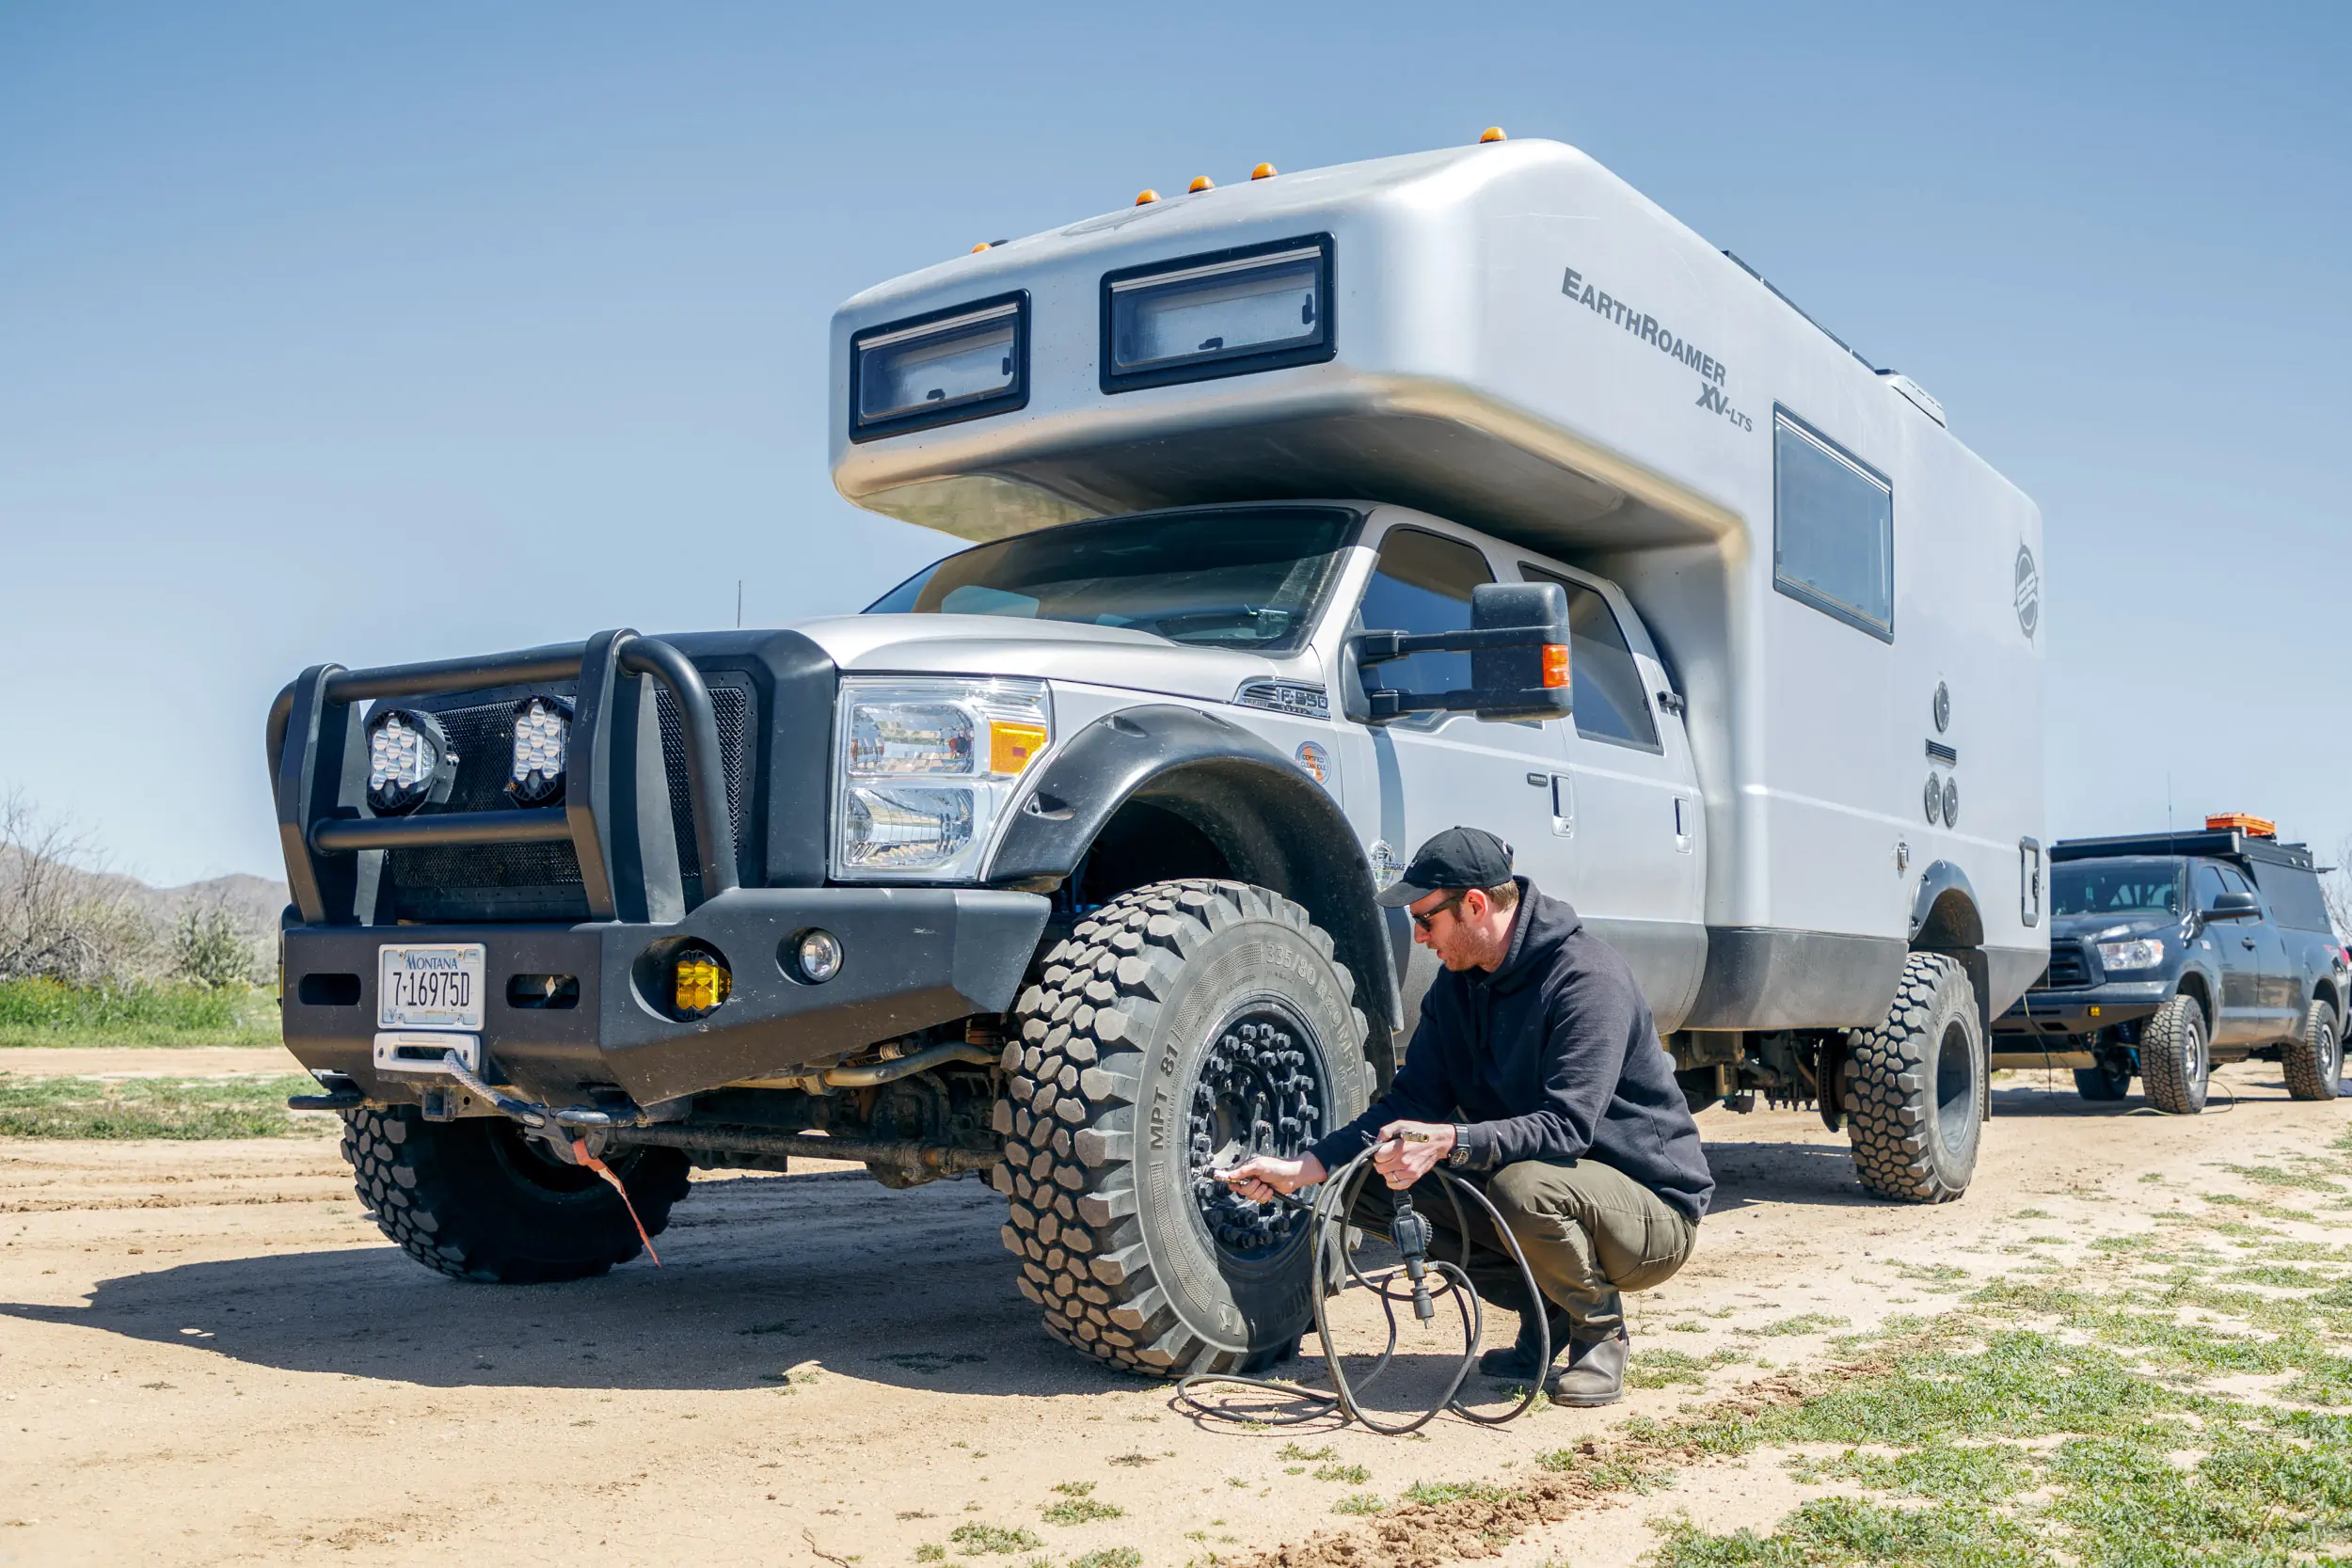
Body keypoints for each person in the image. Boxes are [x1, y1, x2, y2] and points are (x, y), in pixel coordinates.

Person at [1222, 826, 1713, 1405]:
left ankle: (1599, 1331)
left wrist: (1450, 1140)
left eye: (1427, 920)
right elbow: (1406, 1106)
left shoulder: (1586, 980)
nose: (1421, 937)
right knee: (1365, 1178)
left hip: (1649, 1210)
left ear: (1475, 905)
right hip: (1552, 1189)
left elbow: (1567, 1129)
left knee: (1522, 1188)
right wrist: (1303, 1167)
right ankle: (1546, 1314)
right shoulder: (1457, 989)